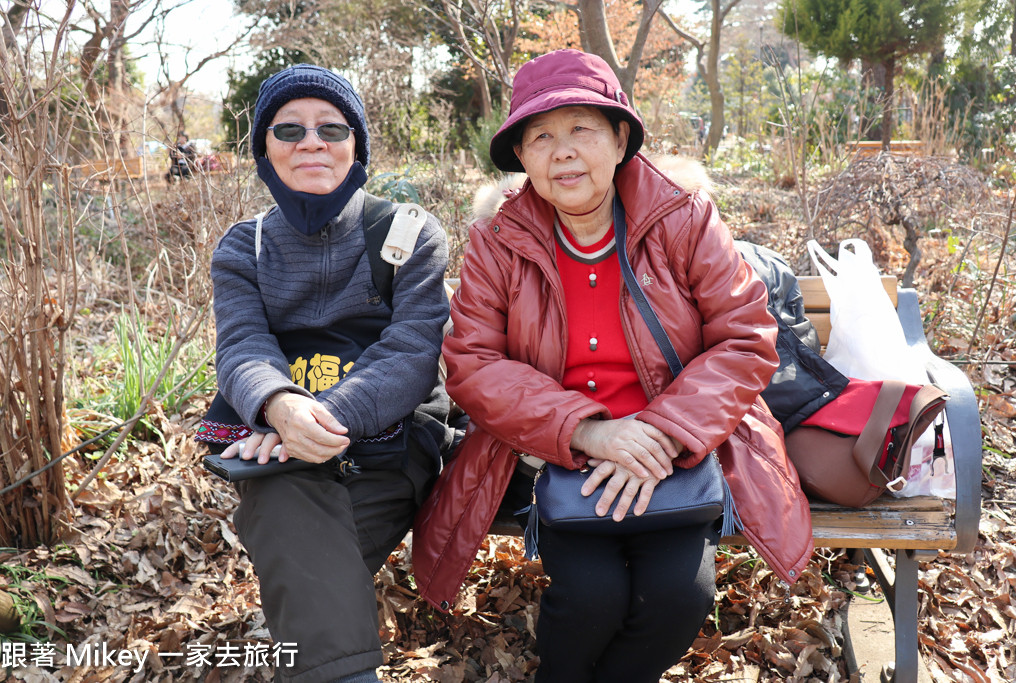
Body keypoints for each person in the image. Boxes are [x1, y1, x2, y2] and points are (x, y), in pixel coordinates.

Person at [411, 49, 810, 683]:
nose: (562, 152)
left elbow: (745, 337)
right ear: (522, 156)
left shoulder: (683, 217)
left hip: (675, 449)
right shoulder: (498, 242)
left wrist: (659, 432)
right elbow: (472, 363)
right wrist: (587, 431)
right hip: (561, 454)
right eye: (540, 136)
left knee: (678, 597)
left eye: (582, 130)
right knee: (589, 599)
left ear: (621, 138)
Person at [200, 64, 451, 683]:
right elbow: (241, 345)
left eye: (331, 128)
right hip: (280, 444)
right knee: (288, 509)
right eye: (288, 129)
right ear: (264, 148)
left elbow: (412, 352)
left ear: (356, 145)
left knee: (291, 542)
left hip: (390, 446)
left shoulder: (410, 233)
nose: (311, 142)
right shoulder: (244, 246)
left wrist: (317, 419)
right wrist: (280, 406)